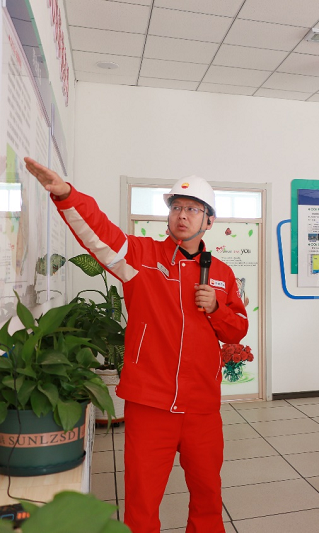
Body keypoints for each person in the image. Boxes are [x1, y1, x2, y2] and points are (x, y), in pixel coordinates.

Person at [24, 158, 248, 533]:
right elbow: (99, 235)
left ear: (209, 221)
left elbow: (237, 329)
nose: (182, 215)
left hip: (202, 406)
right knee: (142, 501)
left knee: (209, 494)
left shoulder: (222, 273)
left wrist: (216, 308)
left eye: (193, 209)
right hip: (150, 403)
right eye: (176, 207)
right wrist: (66, 195)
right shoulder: (140, 258)